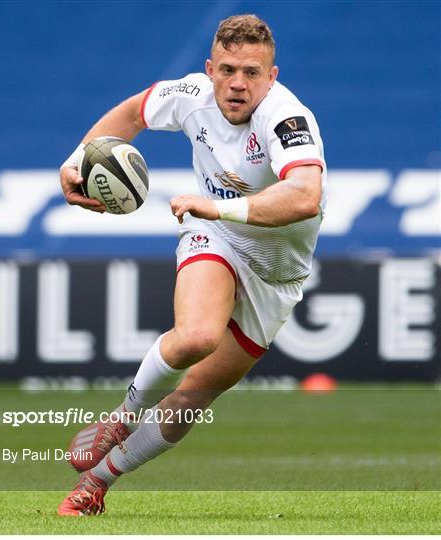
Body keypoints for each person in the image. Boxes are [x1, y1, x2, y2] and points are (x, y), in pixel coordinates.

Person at [57, 14, 326, 516]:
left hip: (276, 274)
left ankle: (97, 482)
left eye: (251, 72)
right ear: (210, 68)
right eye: (227, 70)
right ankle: (122, 417)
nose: (238, 84)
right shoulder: (191, 93)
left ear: (273, 76)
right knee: (197, 336)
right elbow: (133, 113)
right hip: (216, 235)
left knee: (191, 400)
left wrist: (217, 204)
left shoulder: (288, 119)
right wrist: (76, 161)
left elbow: (305, 196)